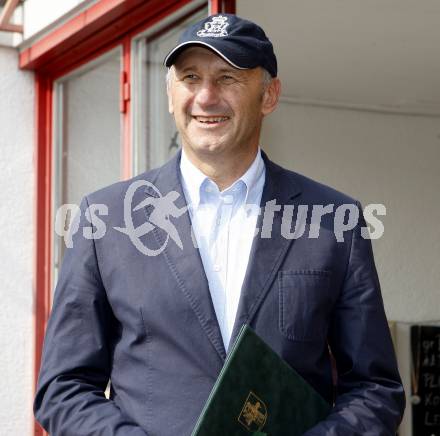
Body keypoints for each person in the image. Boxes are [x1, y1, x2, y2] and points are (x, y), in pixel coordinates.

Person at [34, 13, 405, 436]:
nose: (206, 97)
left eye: (228, 78)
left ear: (269, 95)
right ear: (171, 96)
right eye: (190, 78)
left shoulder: (334, 221)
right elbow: (62, 388)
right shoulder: (107, 219)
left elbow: (376, 390)